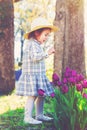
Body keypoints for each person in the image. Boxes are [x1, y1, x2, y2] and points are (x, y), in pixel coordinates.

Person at [16, 17, 58, 124]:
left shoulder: (37, 44)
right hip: (32, 75)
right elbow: (35, 57)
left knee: (41, 95)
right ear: (37, 33)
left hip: (38, 75)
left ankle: (39, 115)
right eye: (45, 34)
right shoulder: (31, 44)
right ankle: (27, 117)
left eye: (48, 35)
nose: (46, 37)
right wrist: (47, 53)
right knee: (33, 95)